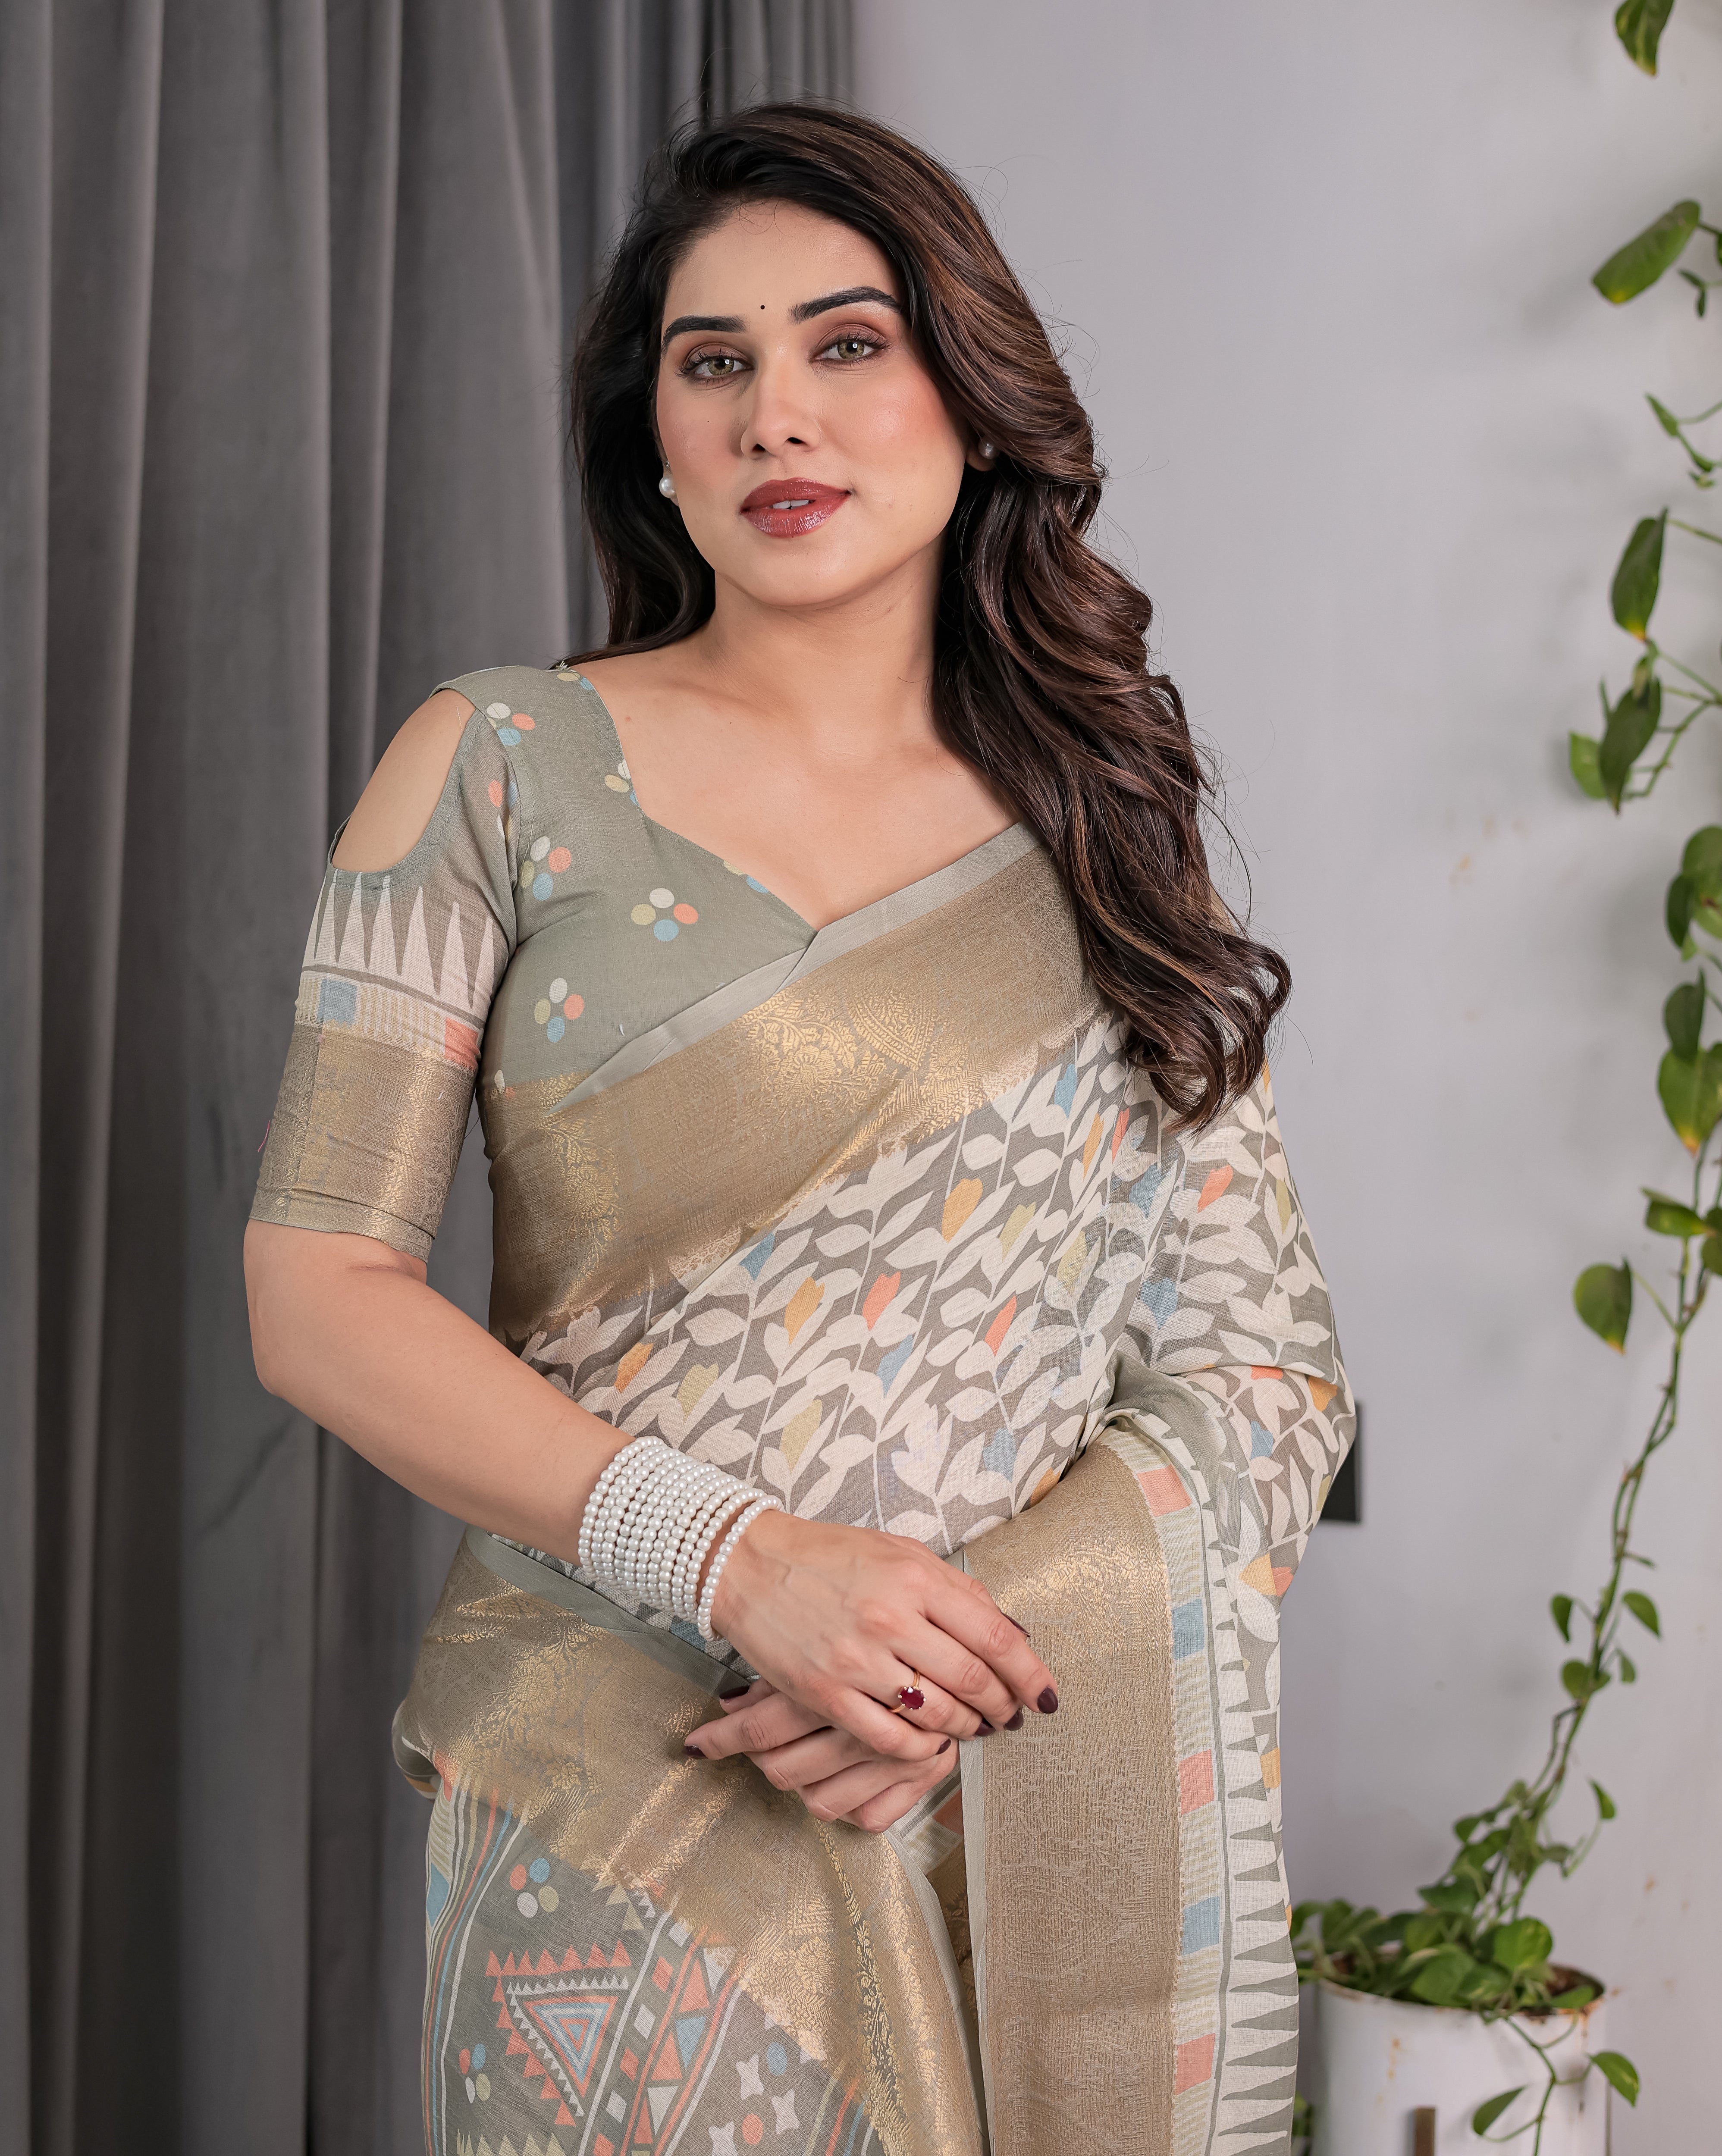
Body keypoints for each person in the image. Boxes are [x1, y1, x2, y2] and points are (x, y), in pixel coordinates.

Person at [244, 101, 1354, 2156]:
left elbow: (1264, 1369)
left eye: (848, 342)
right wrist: (744, 1561)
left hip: (998, 1784)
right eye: (713, 361)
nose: (776, 413)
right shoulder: (499, 764)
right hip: (626, 1777)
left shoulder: (1107, 837)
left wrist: (968, 1662)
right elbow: (315, 1289)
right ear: (653, 439)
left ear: (974, 400)